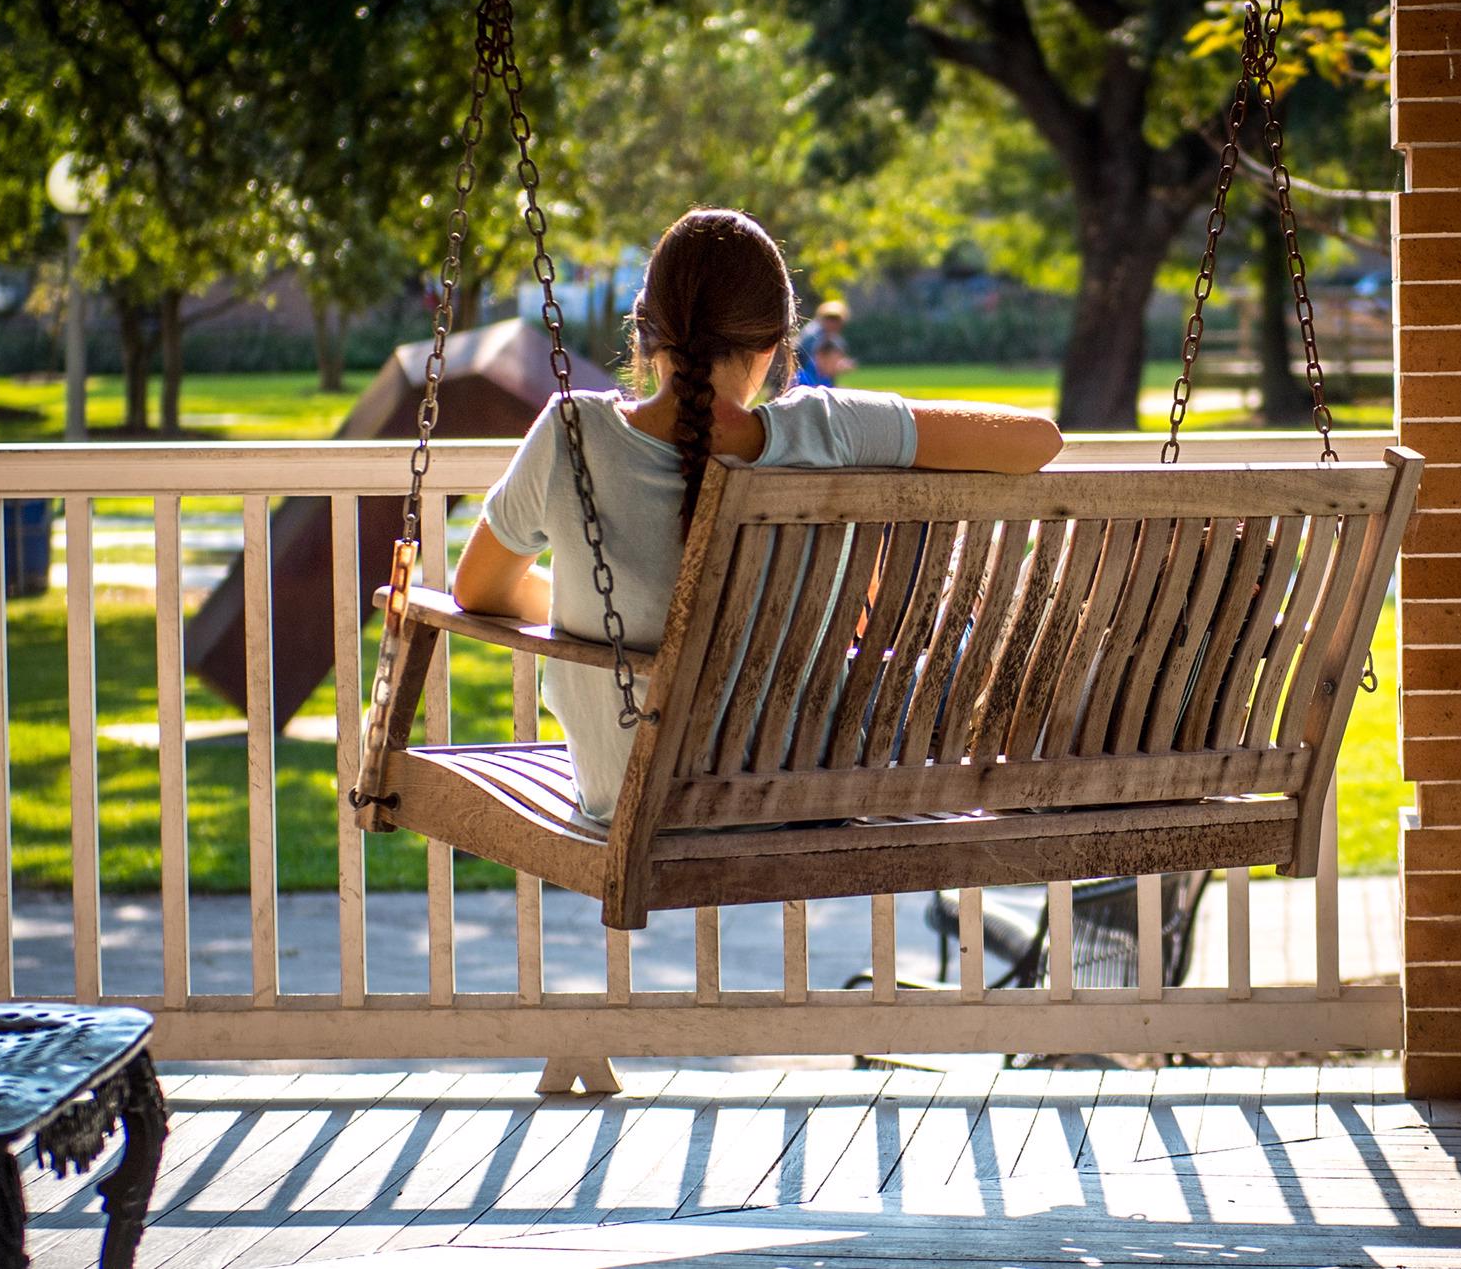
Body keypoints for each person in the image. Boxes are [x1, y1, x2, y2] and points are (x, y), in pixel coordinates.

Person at [451, 209, 1061, 821]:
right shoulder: (831, 427)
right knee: (968, 659)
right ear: (774, 343)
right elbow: (1038, 441)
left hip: (633, 798)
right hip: (803, 786)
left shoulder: (573, 434)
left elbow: (478, 590)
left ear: (645, 332)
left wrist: (592, 613)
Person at [792, 298, 855, 387]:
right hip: (805, 374)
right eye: (830, 319)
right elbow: (816, 363)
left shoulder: (834, 338)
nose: (833, 323)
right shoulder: (812, 335)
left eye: (836, 320)